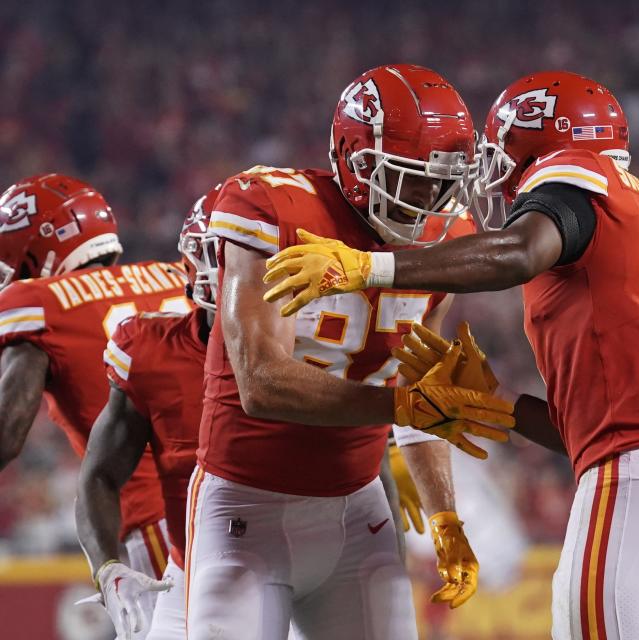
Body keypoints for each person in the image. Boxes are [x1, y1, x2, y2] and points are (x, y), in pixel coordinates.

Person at [261, 71, 639, 640]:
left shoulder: (580, 176)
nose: (493, 172)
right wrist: (499, 403)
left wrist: (369, 267)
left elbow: (519, 252)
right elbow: (587, 431)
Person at [186, 64, 513, 639]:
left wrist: (444, 517)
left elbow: (422, 394)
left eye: (443, 183)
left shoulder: (444, 240)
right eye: (413, 179)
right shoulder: (273, 207)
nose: (430, 199)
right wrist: (402, 408)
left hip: (357, 514)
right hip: (246, 508)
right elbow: (261, 383)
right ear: (357, 160)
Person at [0, 174, 190, 638]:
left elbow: (6, 434)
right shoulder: (177, 274)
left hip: (158, 529)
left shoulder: (37, 301)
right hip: (242, 497)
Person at [75, 185, 222, 640]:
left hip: (303, 559)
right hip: (188, 563)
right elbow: (98, 475)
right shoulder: (150, 350)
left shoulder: (317, 340)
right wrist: (108, 567)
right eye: (221, 255)